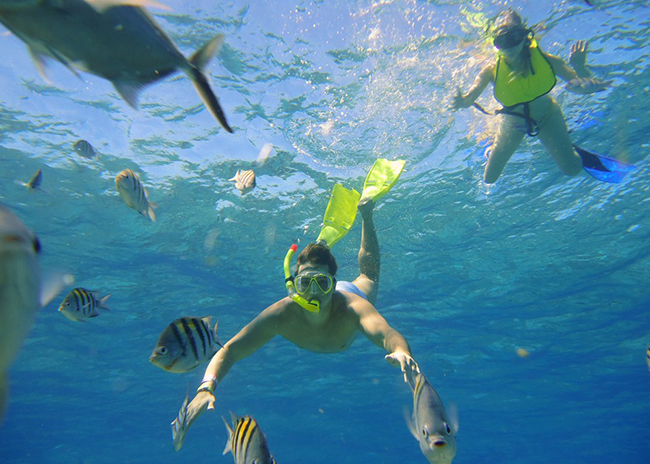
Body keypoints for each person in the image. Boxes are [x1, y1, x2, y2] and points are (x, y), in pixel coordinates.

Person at [171, 196, 419, 449]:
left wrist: (400, 351)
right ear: (294, 285)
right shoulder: (281, 313)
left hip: (352, 289)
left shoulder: (353, 306)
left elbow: (387, 334)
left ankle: (367, 215)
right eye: (304, 283)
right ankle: (319, 246)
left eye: (322, 283)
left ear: (332, 284)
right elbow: (231, 349)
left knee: (369, 275)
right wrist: (206, 386)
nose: (313, 293)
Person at [451, 8, 608, 184]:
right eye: (502, 40)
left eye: (515, 37)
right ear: (496, 44)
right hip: (512, 124)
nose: (510, 46)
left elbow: (583, 86)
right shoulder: (490, 71)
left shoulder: (547, 60)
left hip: (548, 116)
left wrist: (579, 66)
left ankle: (572, 152)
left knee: (571, 169)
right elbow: (470, 98)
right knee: (489, 178)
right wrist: (462, 101)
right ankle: (491, 145)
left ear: (525, 36)